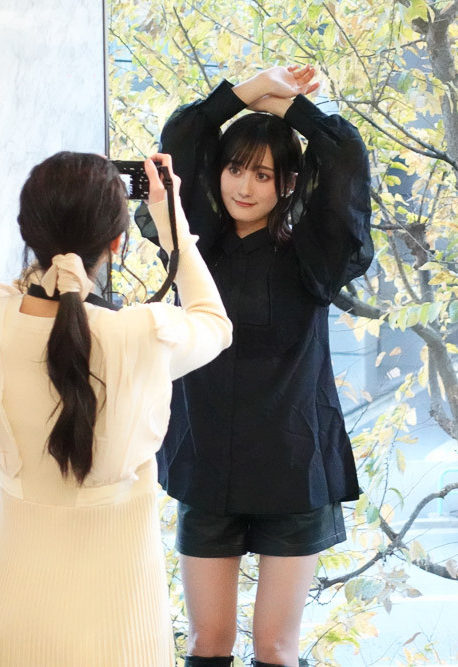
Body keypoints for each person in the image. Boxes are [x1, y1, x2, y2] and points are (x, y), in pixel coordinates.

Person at [0, 152, 232, 666]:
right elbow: (214, 321)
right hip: (121, 634)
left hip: (10, 631)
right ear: (117, 242)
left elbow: (22, 294)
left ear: (28, 233)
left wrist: (56, 260)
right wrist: (171, 226)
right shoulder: (139, 335)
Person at [139, 66, 373, 667]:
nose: (245, 186)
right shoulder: (194, 243)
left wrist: (288, 107)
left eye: (263, 175)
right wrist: (248, 91)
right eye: (235, 168)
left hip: (293, 469)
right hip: (206, 464)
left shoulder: (314, 256)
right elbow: (182, 138)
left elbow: (344, 153)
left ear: (287, 184)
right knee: (207, 643)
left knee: (274, 646)